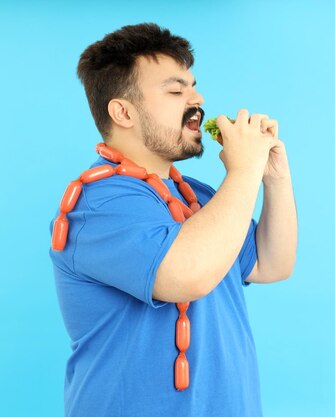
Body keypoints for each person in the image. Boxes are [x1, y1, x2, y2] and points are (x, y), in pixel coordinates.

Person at [48, 22, 298, 417]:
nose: (197, 99)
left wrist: (273, 176)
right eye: (176, 90)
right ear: (123, 111)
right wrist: (243, 172)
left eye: (194, 86)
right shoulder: (96, 204)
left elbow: (273, 263)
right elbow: (186, 275)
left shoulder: (199, 195)